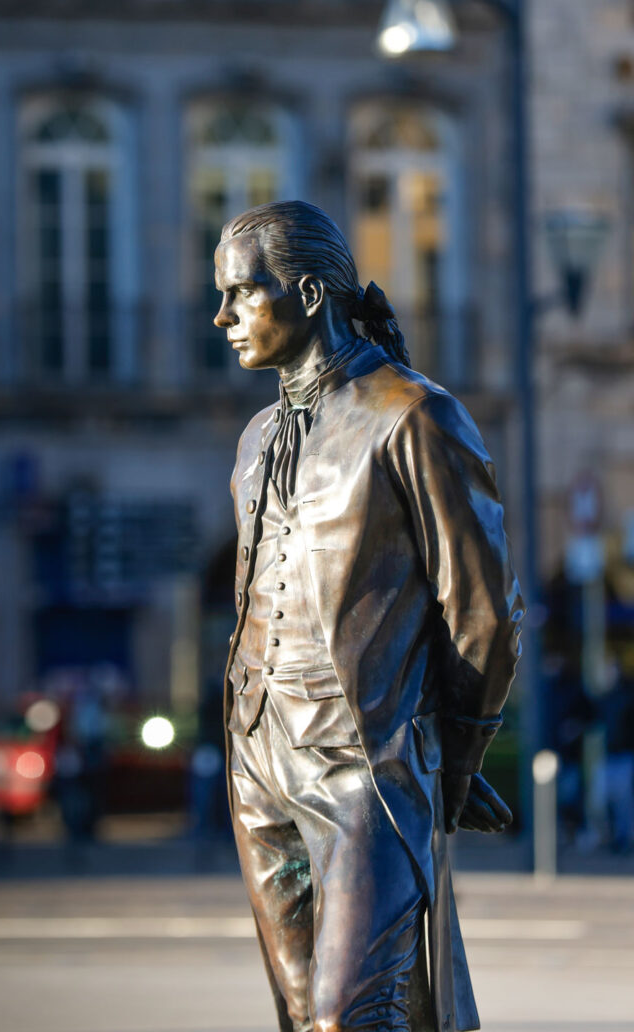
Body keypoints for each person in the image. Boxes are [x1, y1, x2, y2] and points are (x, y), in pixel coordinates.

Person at [214, 201, 523, 1032]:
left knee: (347, 1017)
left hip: (363, 762)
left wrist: (449, 760)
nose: (223, 316)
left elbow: (484, 613)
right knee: (298, 1011)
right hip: (259, 758)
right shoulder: (254, 440)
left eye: (243, 292)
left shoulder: (411, 415)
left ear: (310, 293)